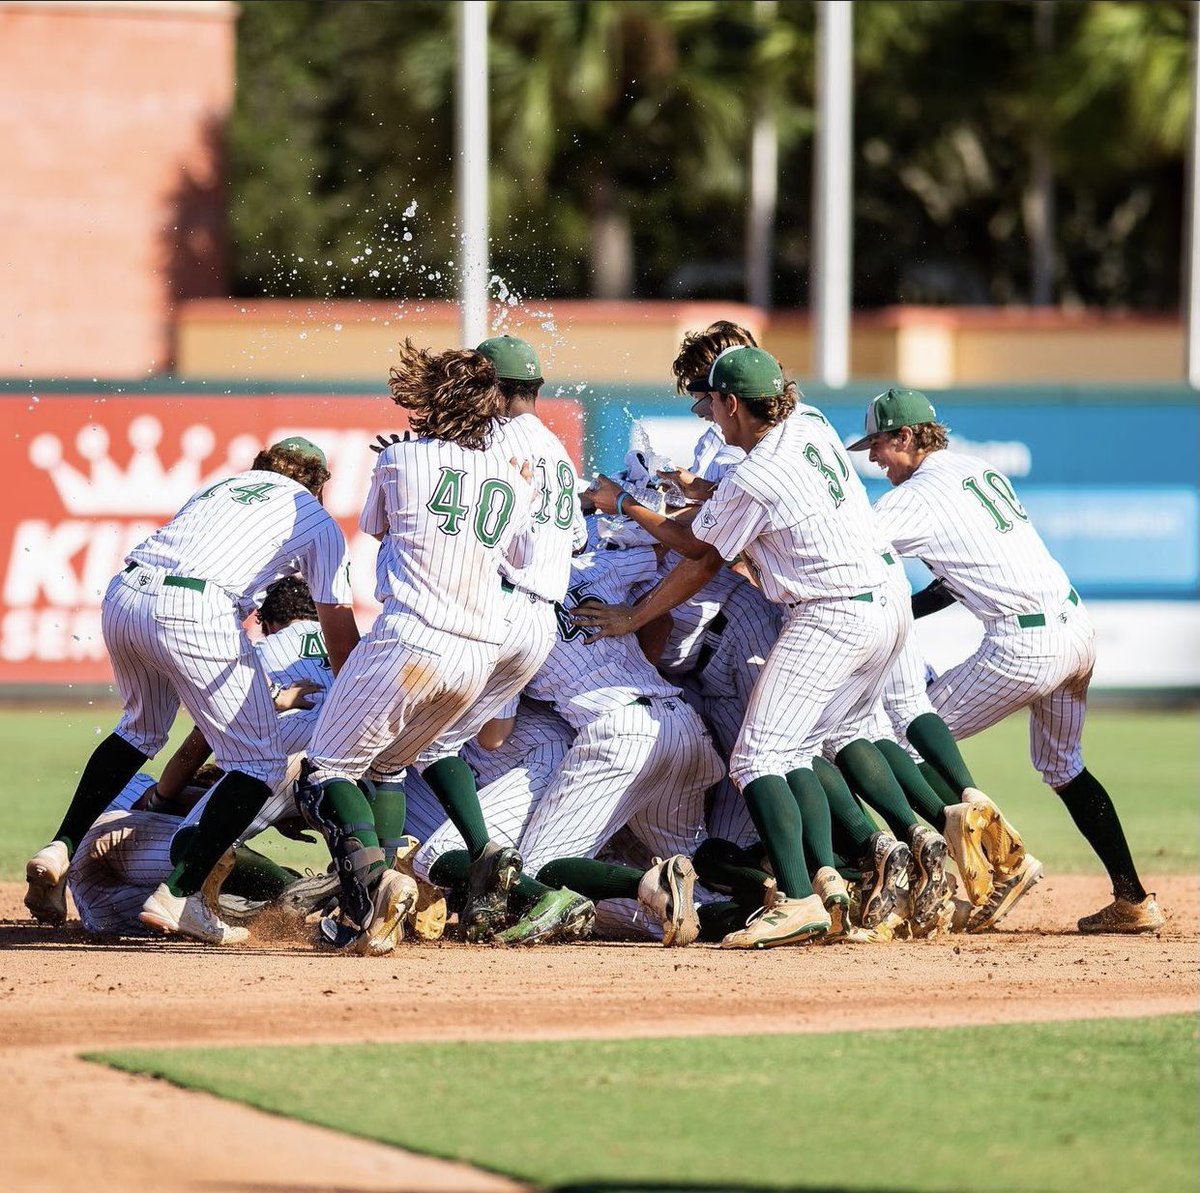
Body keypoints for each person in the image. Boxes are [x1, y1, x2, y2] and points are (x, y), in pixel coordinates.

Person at [576, 346, 909, 948]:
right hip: (883, 602)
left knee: (758, 757)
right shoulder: (810, 424)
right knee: (801, 747)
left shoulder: (756, 474)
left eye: (712, 402)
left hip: (829, 611)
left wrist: (627, 527)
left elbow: (701, 558)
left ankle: (800, 898)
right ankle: (849, 875)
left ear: (732, 403)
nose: (710, 415)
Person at [850, 386, 1163, 934]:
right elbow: (948, 587)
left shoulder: (916, 495)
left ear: (905, 436)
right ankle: (1133, 900)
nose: (874, 458)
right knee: (1064, 768)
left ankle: (1001, 867)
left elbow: (844, 554)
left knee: (899, 738)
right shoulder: (975, 468)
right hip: (1075, 630)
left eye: (878, 444)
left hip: (1026, 645)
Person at [24, 437, 358, 945]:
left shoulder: (221, 486)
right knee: (259, 765)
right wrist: (360, 692)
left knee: (139, 731)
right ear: (316, 485)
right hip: (196, 607)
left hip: (125, 593)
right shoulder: (313, 516)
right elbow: (338, 628)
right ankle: (178, 896)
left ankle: (60, 846)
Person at [296, 339, 549, 952]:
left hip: (410, 638)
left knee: (325, 771)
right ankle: (376, 916)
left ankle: (376, 886)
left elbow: (377, 526)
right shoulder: (508, 476)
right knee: (387, 766)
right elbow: (518, 555)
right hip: (476, 655)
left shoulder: (401, 459)